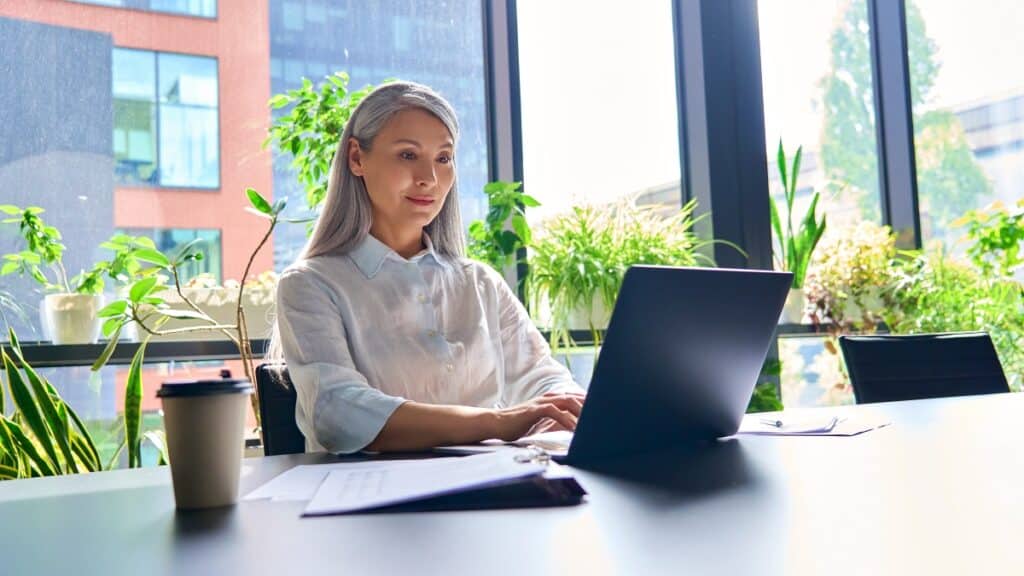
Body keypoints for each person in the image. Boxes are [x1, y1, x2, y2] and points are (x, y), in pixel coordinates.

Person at [274, 81, 584, 454]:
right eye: (408, 155)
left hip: (492, 490)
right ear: (356, 158)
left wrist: (570, 407)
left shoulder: (480, 283)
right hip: (370, 502)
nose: (429, 179)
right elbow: (338, 414)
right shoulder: (310, 284)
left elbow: (544, 379)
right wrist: (498, 422)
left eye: (443, 158)